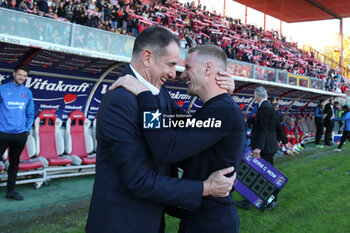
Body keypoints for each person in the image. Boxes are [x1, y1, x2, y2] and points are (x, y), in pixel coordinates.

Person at [86, 26, 237, 233]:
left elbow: (182, 131)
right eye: (171, 64)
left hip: (150, 220)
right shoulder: (121, 100)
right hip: (123, 223)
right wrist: (206, 188)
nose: (175, 74)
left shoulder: (156, 92)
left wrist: (222, 95)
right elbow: (140, 180)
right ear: (147, 58)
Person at [114, 45, 245, 233]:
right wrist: (154, 86)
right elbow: (175, 118)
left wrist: (143, 93)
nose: (182, 75)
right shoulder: (218, 108)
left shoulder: (222, 111)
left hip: (211, 224)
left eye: (188, 68)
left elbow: (165, 150)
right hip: (202, 218)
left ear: (208, 69)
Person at [236, 86, 283, 210]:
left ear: (255, 96)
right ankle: (250, 200)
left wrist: (258, 148)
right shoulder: (270, 107)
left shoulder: (263, 108)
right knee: (258, 173)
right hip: (268, 146)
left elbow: (263, 130)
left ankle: (270, 201)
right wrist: (286, 141)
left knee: (266, 176)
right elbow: (278, 127)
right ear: (266, 95)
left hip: (264, 148)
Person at [0, 64, 34, 201]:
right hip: (2, 133)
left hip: (19, 135)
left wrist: (26, 131)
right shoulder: (2, 89)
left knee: (14, 164)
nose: (22, 78)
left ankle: (11, 191)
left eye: (25, 76)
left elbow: (30, 114)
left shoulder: (27, 92)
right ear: (14, 74)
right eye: (20, 74)